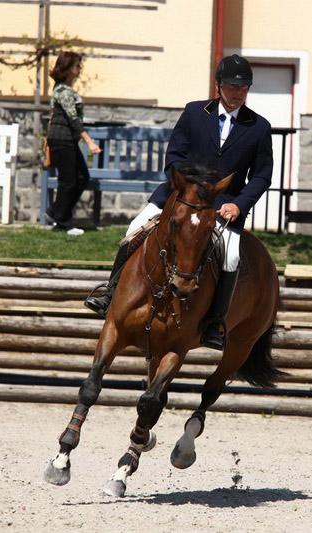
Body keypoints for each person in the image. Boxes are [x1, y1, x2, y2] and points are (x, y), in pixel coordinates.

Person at [84, 54, 273, 351]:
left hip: (224, 205)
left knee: (231, 257)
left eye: (243, 87)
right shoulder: (194, 112)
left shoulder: (259, 127)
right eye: (231, 86)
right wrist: (187, 190)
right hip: (179, 196)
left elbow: (262, 176)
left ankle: (214, 323)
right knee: (133, 230)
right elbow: (174, 157)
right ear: (218, 86)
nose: (237, 92)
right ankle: (110, 293)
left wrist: (239, 204)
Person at [46, 51, 102, 236]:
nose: (80, 69)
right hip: (61, 139)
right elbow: (73, 119)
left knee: (81, 177)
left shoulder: (66, 90)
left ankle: (57, 213)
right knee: (68, 181)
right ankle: (63, 221)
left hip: (67, 140)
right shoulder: (62, 91)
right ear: (68, 68)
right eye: (77, 66)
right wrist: (89, 142)